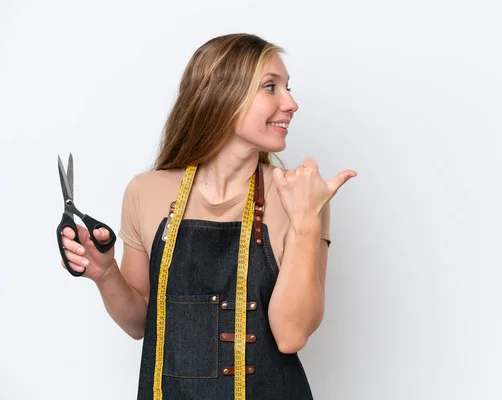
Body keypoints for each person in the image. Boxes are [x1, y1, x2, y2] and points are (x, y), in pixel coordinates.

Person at [60, 33, 356, 399]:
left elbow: (291, 335)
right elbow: (141, 323)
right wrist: (105, 274)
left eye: (288, 88)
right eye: (271, 87)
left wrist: (306, 220)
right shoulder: (145, 191)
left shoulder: (300, 196)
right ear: (223, 96)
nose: (291, 103)